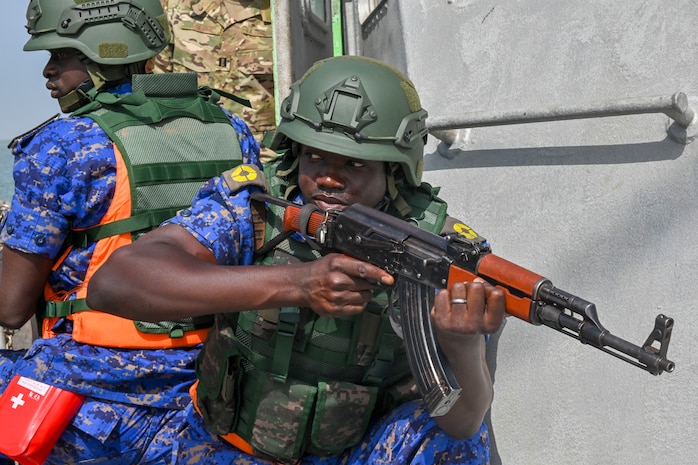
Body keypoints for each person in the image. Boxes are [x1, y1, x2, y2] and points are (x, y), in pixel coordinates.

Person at [88, 55, 506, 464]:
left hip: (353, 452)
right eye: (315, 155)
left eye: (355, 164)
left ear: (394, 173)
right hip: (227, 445)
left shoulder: (435, 249)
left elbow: (464, 424)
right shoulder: (258, 208)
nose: (327, 177)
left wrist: (462, 344)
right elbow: (114, 283)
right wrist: (300, 284)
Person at [0, 0, 259, 463]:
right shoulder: (234, 130)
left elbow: (11, 308)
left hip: (93, 379)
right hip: (215, 375)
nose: (48, 72)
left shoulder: (63, 145)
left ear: (104, 51)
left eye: (61, 56)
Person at [151, 0, 277, 162]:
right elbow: (156, 86)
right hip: (188, 150)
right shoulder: (173, 7)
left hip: (259, 157)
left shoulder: (285, 15)